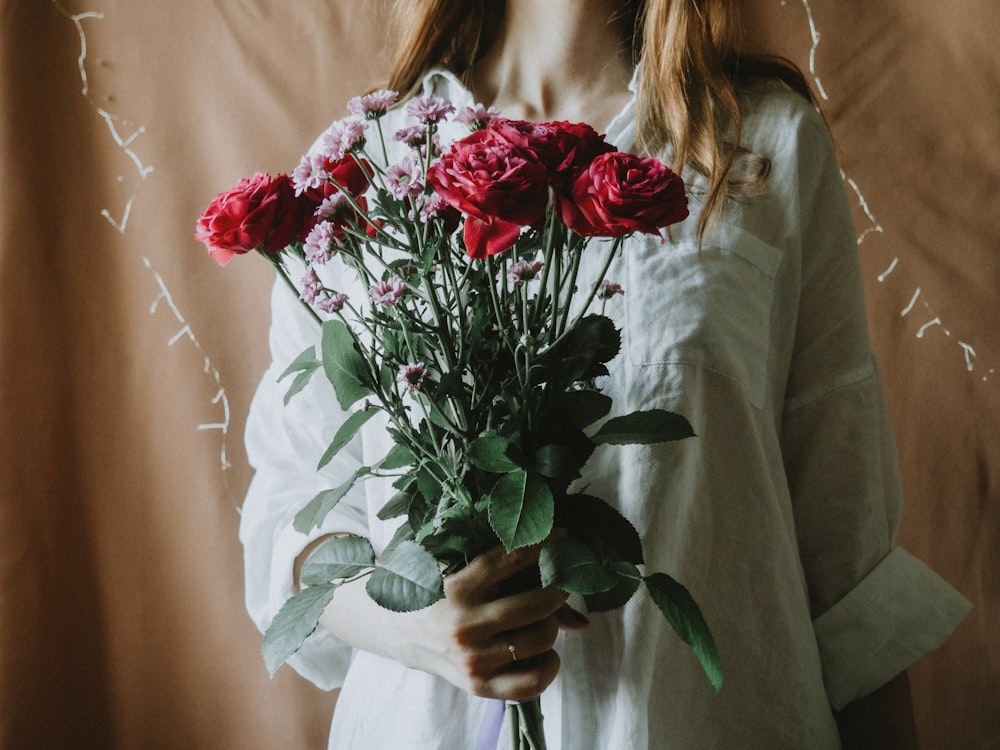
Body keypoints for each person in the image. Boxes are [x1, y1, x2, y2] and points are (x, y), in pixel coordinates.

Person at [239, 1, 971, 747]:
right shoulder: (368, 165)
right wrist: (415, 624)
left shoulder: (761, 148)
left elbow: (844, 549)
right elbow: (292, 516)